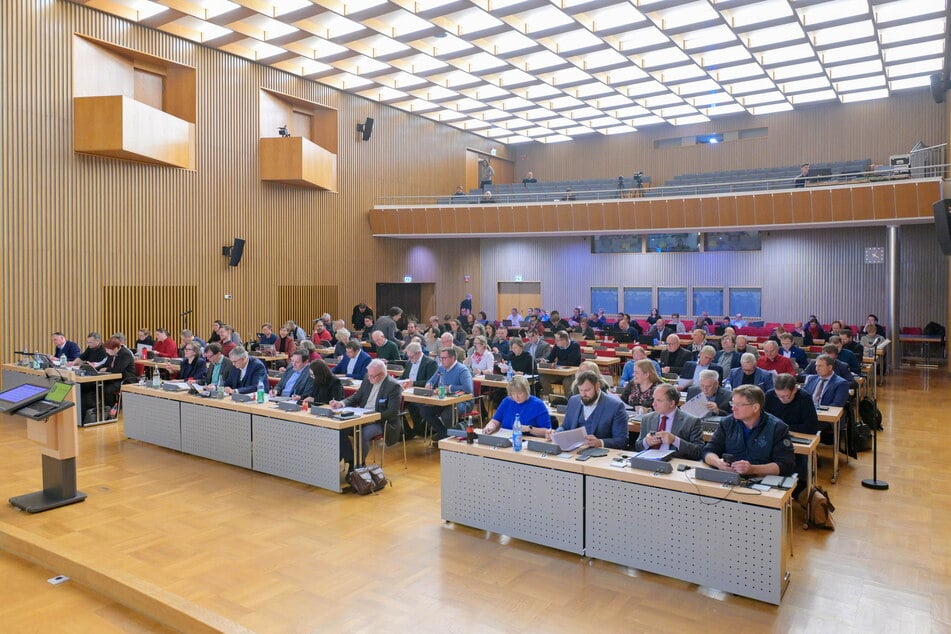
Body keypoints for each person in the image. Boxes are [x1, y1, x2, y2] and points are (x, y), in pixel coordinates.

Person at [702, 385, 796, 477]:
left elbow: (786, 465)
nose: (733, 408)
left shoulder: (777, 428)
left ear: (755, 407)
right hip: (730, 477)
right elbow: (708, 451)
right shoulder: (727, 423)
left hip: (762, 481)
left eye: (738, 405)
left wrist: (753, 469)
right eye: (733, 403)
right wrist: (718, 463)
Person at [331, 360, 403, 470]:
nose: (369, 378)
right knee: (340, 429)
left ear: (382, 374)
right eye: (368, 375)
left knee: (363, 434)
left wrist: (372, 419)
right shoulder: (367, 379)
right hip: (362, 417)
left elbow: (392, 412)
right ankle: (351, 460)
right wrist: (341, 403)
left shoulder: (393, 386)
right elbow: (356, 397)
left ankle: (359, 465)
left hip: (382, 421)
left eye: (372, 376)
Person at [765, 373, 819, 498]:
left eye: (786, 396)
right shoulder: (769, 395)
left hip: (798, 438)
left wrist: (783, 427)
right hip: (775, 437)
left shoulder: (804, 397)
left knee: (798, 461)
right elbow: (764, 420)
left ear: (795, 389)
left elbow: (811, 427)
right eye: (779, 396)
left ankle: (800, 491)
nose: (782, 400)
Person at [551, 371, 628, 449]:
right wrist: (556, 434)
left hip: (600, 453)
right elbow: (565, 426)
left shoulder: (615, 406)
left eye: (587, 390)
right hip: (574, 449)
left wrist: (600, 442)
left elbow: (622, 440)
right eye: (581, 390)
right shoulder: (573, 400)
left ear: (597, 386)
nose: (583, 394)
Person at [635, 384, 703, 460]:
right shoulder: (647, 419)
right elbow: (637, 447)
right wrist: (646, 442)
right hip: (649, 462)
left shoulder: (691, 421)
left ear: (672, 403)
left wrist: (675, 440)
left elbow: (698, 452)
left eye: (659, 400)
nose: (653, 404)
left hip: (675, 463)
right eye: (654, 399)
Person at [420, 348, 474, 442]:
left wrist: (449, 388)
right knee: (425, 410)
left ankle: (451, 436)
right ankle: (444, 433)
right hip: (444, 400)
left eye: (444, 358)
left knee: (447, 414)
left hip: (463, 402)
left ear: (453, 358)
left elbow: (468, 388)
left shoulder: (462, 370)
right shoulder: (441, 368)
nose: (442, 361)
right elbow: (432, 380)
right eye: (441, 358)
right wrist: (429, 385)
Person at [483, 376, 549, 437]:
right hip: (507, 439)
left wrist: (530, 429)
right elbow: (495, 421)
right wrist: (489, 427)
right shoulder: (507, 401)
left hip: (528, 441)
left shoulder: (538, 405)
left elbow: (547, 432)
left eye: (520, 393)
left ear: (527, 391)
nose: (516, 397)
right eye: (513, 393)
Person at [399, 342, 438, 438]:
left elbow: (431, 383)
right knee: (396, 405)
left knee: (415, 407)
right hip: (408, 392)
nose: (409, 359)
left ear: (418, 353)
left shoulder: (430, 363)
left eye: (411, 357)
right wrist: (399, 382)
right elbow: (404, 376)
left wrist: (414, 383)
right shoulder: (409, 363)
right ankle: (406, 432)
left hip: (422, 394)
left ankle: (419, 430)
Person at [99, 337, 137, 409]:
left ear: (116, 348)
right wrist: (95, 369)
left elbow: (119, 369)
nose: (107, 352)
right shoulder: (112, 353)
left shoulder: (125, 354)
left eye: (108, 350)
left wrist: (106, 369)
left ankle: (111, 408)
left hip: (126, 379)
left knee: (107, 389)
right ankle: (105, 407)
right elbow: (105, 364)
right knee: (99, 386)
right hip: (116, 378)